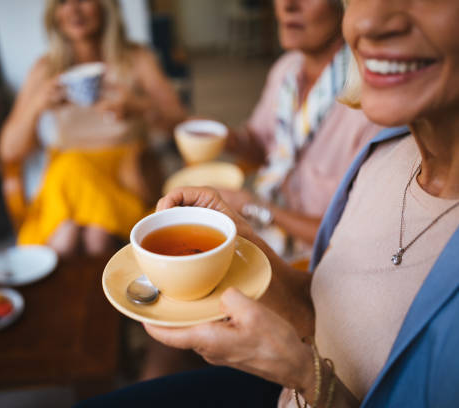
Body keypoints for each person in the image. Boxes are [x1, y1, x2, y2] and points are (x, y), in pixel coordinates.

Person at [75, 0, 459, 406]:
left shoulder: (373, 122)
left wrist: (305, 377)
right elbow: (319, 307)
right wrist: (243, 240)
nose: (368, 21)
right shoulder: (384, 156)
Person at [0, 0, 186, 257]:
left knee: (78, 236)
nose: (74, 10)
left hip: (125, 176)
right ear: (55, 13)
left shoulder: (136, 59)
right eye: (63, 2)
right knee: (78, 228)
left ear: (105, 6)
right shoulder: (46, 69)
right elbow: (9, 150)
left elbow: (181, 121)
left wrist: (138, 107)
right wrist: (36, 105)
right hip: (67, 178)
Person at [221, 0, 381, 255]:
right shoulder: (285, 70)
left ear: (347, 6)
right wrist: (225, 138)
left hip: (314, 261)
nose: (287, 5)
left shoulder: (371, 102)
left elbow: (355, 235)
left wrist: (253, 207)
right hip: (267, 231)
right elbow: (260, 146)